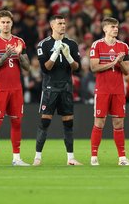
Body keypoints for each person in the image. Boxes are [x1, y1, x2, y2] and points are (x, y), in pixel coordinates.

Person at [33, 15, 82, 166]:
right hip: (50, 88)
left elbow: (77, 68)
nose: (63, 26)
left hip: (66, 88)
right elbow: (45, 68)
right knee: (44, 122)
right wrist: (55, 54)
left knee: (68, 124)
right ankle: (37, 158)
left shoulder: (72, 44)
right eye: (59, 23)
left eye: (64, 23)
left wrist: (68, 56)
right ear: (52, 25)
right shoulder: (43, 45)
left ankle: (70, 158)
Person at [0, 10, 31, 166]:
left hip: (16, 89)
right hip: (1, 88)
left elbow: (27, 67)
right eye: (3, 22)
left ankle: (16, 158)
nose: (5, 25)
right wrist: (6, 55)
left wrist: (18, 55)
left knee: (17, 122)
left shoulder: (20, 41)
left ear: (12, 23)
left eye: (8, 22)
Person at [89, 17, 129, 166]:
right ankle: (94, 157)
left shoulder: (124, 47)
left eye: (117, 26)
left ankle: (122, 158)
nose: (116, 29)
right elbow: (94, 67)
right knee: (99, 122)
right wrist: (112, 63)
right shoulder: (97, 45)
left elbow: (127, 71)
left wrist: (119, 63)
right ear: (105, 29)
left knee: (119, 123)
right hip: (102, 90)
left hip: (118, 90)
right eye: (113, 27)